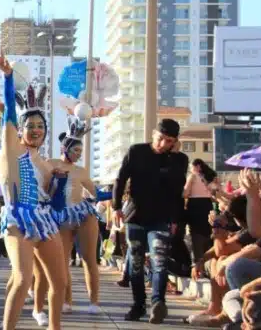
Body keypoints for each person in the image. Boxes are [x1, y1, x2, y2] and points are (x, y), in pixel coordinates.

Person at [0, 50, 67, 330]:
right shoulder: (13, 150)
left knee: (59, 282)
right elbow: (10, 112)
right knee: (23, 278)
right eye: (30, 126)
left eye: (40, 126)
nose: (35, 130)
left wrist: (59, 185)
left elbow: (55, 200)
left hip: (44, 222)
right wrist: (8, 77)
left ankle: (54, 327)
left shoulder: (46, 165)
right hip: (18, 220)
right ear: (20, 130)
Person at [112, 117, 189, 323]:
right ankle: (138, 306)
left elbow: (177, 192)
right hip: (135, 217)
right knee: (136, 263)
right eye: (162, 138)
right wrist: (116, 207)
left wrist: (175, 220)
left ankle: (157, 303)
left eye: (170, 141)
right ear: (154, 134)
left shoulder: (179, 160)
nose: (164, 144)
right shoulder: (136, 151)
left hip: (161, 219)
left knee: (159, 261)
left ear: (175, 142)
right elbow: (121, 178)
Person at [34, 118, 103, 321]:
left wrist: (112, 193)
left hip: (82, 214)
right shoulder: (51, 163)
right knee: (61, 262)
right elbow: (41, 186)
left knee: (90, 259)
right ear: (65, 148)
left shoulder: (81, 171)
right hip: (59, 217)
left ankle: (94, 302)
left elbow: (94, 193)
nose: (79, 155)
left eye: (81, 152)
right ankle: (66, 301)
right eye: (76, 151)